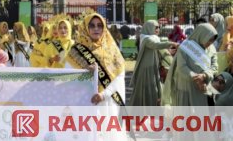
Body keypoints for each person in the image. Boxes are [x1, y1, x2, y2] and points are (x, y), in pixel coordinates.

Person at [65, 12, 126, 141]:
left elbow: (119, 76)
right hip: (84, 101)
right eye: (92, 25)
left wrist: (103, 94)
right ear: (86, 28)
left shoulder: (111, 49)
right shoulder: (75, 52)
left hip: (106, 102)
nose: (96, 28)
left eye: (99, 25)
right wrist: (84, 73)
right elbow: (66, 77)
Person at [162, 23, 218, 106]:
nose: (210, 43)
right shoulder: (185, 46)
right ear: (201, 35)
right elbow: (182, 67)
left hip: (202, 89)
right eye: (209, 39)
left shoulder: (212, 49)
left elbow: (215, 67)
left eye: (212, 40)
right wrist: (197, 79)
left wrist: (204, 75)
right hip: (185, 88)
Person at [129, 20, 178, 106]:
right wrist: (172, 43)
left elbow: (158, 48)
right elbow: (156, 45)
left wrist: (168, 51)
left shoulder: (153, 38)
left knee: (154, 89)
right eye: (155, 27)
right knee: (149, 90)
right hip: (146, 70)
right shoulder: (146, 39)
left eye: (159, 27)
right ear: (149, 28)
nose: (158, 29)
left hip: (153, 68)